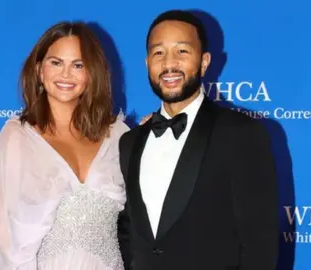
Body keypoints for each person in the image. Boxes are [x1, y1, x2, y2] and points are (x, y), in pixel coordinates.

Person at [117, 10, 279, 270]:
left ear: (204, 62)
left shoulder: (241, 133)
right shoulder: (130, 142)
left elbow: (260, 244)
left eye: (182, 51)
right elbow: (128, 230)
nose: (169, 63)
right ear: (147, 62)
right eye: (159, 52)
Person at [0, 21, 129, 270]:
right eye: (56, 62)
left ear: (91, 73)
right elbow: (4, 239)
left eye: (78, 65)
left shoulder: (117, 135)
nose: (66, 74)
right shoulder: (17, 138)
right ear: (40, 70)